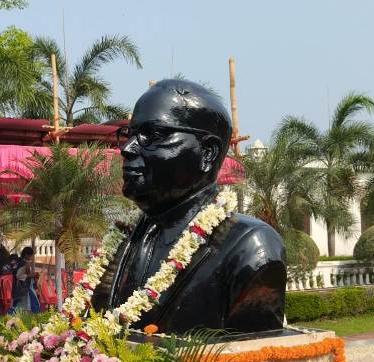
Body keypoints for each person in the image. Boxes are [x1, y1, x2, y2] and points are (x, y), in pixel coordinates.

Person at [92, 79, 286, 334]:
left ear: (207, 153)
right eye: (129, 134)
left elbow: (252, 354)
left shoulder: (249, 245)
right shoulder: (125, 236)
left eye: (153, 135)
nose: (127, 148)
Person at [13, 247, 40, 314]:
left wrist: (33, 275)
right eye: (31, 255)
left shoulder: (22, 262)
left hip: (26, 287)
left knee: (31, 305)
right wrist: (31, 275)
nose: (32, 257)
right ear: (26, 255)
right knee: (30, 306)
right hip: (23, 288)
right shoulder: (22, 263)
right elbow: (18, 276)